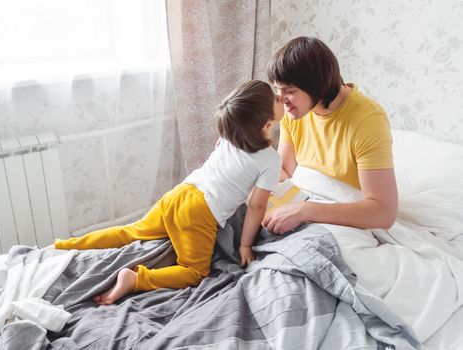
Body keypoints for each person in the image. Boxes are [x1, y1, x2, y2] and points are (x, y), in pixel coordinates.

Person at [54, 80, 284, 305]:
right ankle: (135, 279)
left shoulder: (231, 134)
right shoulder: (270, 160)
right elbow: (256, 206)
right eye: (276, 98)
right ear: (266, 125)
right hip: (200, 212)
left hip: (181, 192)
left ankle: (65, 246)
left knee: (130, 232)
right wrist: (245, 245)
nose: (280, 97)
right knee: (194, 272)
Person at [263, 36, 398, 234]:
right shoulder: (294, 111)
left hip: (341, 211)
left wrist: (306, 211)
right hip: (303, 200)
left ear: (318, 85)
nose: (281, 99)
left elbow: (383, 212)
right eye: (277, 89)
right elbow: (285, 170)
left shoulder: (368, 120)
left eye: (289, 91)